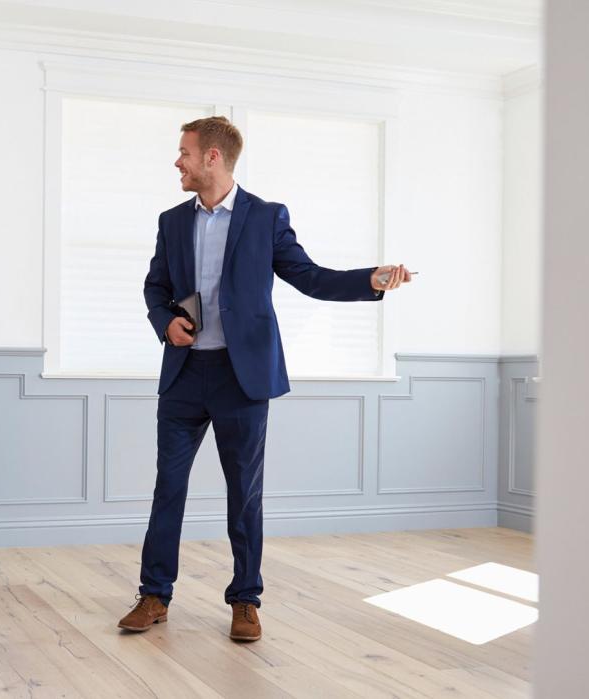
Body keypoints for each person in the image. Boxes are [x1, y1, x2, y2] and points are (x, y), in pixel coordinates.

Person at [118, 116, 412, 642]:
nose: (177, 162)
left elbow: (311, 277)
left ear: (213, 157)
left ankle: (245, 600)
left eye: (184, 152)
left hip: (242, 379)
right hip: (184, 377)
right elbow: (155, 287)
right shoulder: (171, 221)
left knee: (245, 494)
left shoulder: (265, 218)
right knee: (169, 488)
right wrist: (165, 323)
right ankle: (155, 594)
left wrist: (370, 280)